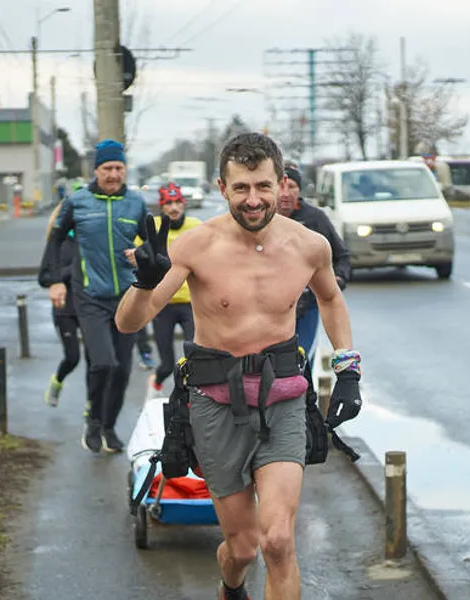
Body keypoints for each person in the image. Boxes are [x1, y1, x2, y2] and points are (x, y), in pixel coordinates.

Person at [115, 132, 363, 600]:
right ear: (222, 187)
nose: (254, 200)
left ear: (281, 183)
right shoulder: (193, 247)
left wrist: (348, 367)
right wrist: (144, 283)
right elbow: (130, 322)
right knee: (244, 547)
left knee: (278, 540)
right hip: (215, 406)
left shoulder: (309, 245)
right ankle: (231, 587)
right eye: (242, 188)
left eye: (264, 187)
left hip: (284, 400)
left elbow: (331, 300)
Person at [44, 140, 150, 454]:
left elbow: (153, 245)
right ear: (97, 171)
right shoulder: (77, 202)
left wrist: (141, 254)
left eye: (118, 168)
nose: (114, 174)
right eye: (107, 169)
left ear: (125, 170)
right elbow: (55, 239)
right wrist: (54, 281)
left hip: (127, 297)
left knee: (122, 370)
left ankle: (109, 426)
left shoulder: (135, 203)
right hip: (90, 296)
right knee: (103, 362)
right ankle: (93, 418)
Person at [126, 182, 201, 395]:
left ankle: (189, 400)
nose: (174, 207)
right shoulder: (153, 225)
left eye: (177, 202)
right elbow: (137, 250)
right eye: (169, 203)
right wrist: (135, 256)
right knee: (167, 365)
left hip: (190, 304)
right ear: (162, 206)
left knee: (194, 359)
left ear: (184, 204)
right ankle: (156, 385)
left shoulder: (196, 225)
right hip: (162, 304)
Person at [276, 163, 351, 360]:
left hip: (307, 303)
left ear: (299, 191)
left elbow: (342, 255)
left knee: (301, 359)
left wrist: (339, 278)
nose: (285, 193)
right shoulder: (260, 219)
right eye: (280, 186)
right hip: (271, 307)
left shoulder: (315, 218)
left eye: (291, 186)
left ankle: (308, 389)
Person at [39, 203, 85, 408]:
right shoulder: (56, 242)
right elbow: (44, 277)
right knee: (73, 357)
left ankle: (93, 405)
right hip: (64, 308)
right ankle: (57, 381)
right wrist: (69, 272)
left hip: (89, 306)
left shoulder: (89, 239)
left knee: (97, 361)